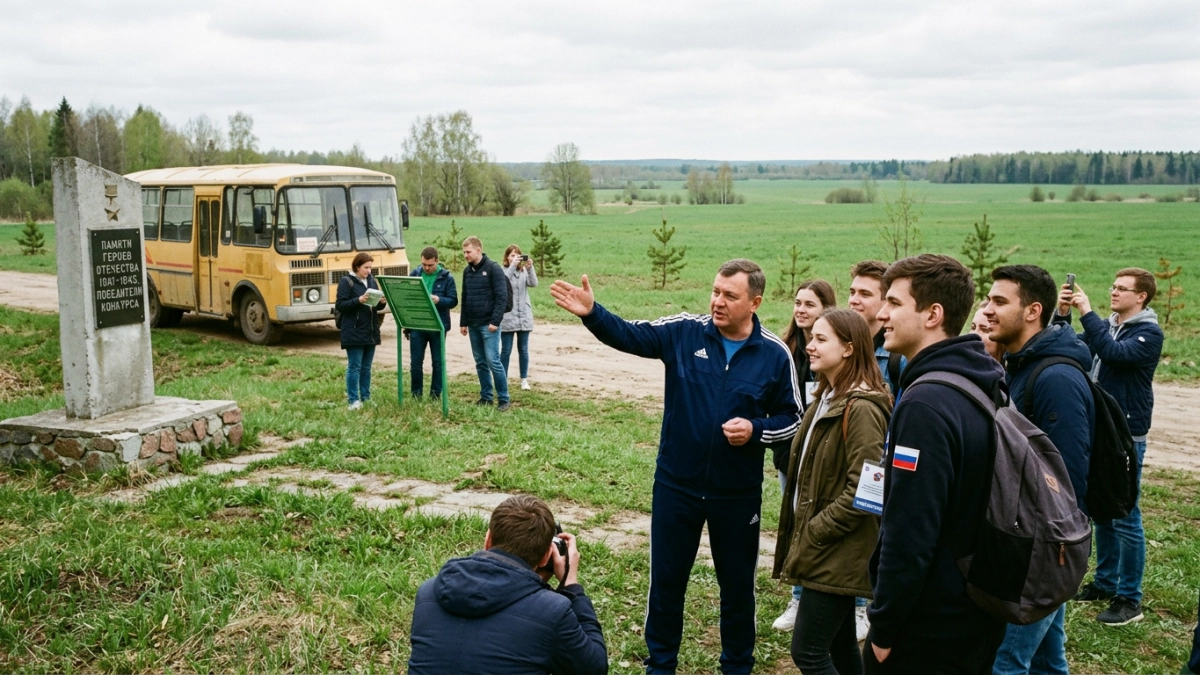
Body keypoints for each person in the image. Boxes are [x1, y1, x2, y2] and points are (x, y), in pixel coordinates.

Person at [551, 259, 800, 675]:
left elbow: (794, 420)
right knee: (667, 582)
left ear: (755, 303)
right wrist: (593, 314)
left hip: (736, 495)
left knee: (737, 587)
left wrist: (756, 429)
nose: (718, 301)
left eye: (730, 296)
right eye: (716, 291)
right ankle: (661, 665)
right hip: (676, 486)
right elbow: (631, 335)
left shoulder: (774, 354)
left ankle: (737, 666)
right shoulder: (685, 332)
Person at [865, 254, 1008, 674]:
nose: (881, 314)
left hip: (930, 624)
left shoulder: (926, 404)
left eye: (894, 303)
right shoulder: (980, 379)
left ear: (933, 315)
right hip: (976, 606)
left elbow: (910, 530)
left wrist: (884, 628)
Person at [983, 265, 1096, 675]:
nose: (988, 309)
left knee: (1005, 662)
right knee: (1048, 660)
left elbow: (1067, 481)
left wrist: (1044, 555)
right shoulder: (1020, 364)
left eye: (999, 301)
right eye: (988, 299)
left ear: (1033, 311)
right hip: (1034, 544)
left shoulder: (1055, 378)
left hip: (1039, 550)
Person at [774, 308, 892, 675]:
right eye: (812, 338)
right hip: (826, 549)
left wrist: (817, 529)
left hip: (837, 552)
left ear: (848, 349)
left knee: (808, 652)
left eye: (821, 339)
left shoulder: (862, 409)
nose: (810, 345)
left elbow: (868, 491)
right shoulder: (828, 397)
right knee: (840, 647)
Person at [1056, 267, 1164, 626]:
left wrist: (1087, 313)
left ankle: (1130, 598)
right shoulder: (1109, 325)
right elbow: (1074, 347)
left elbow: (1113, 353)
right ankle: (1104, 582)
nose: (1114, 292)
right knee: (1103, 507)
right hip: (1100, 429)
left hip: (1127, 435)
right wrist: (1063, 315)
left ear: (1141, 297)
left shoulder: (1148, 333)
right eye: (1113, 286)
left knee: (1126, 514)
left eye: (1122, 288)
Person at [407, 495, 608, 675]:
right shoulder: (553, 612)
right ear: (547, 555)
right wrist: (571, 586)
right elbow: (595, 668)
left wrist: (534, 585)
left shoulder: (428, 593)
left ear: (488, 539)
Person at [773, 279, 836, 633]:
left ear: (827, 309)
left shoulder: (835, 353)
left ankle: (853, 604)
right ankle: (798, 598)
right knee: (797, 525)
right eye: (798, 303)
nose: (800, 310)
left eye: (809, 304)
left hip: (825, 460)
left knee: (825, 528)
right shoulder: (785, 350)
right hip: (790, 457)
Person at [460, 236, 511, 411]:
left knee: (493, 361)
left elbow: (502, 297)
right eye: (464, 252)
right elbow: (465, 297)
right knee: (480, 361)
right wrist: (463, 322)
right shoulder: (467, 272)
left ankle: (503, 398)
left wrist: (495, 321)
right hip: (473, 324)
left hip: (489, 325)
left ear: (478, 250)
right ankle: (486, 396)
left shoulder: (493, 269)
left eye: (468, 252)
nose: (465, 255)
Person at [336, 252, 387, 410]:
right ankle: (353, 400)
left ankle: (366, 397)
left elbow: (376, 306)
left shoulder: (371, 280)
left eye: (371, 267)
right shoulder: (346, 281)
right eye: (366, 267)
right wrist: (358, 300)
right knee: (354, 366)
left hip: (370, 330)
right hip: (353, 330)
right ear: (357, 267)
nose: (369, 271)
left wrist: (381, 302)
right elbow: (340, 305)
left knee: (366, 367)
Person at [407, 246, 457, 399]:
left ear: (437, 261)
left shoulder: (447, 277)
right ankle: (416, 395)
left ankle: (435, 395)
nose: (427, 268)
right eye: (424, 264)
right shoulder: (414, 274)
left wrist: (439, 300)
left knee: (438, 362)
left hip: (438, 325)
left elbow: (453, 301)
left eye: (430, 265)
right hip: (417, 325)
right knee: (415, 363)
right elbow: (407, 298)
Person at [848, 260, 906, 393]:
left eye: (865, 294)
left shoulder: (898, 358)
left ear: (887, 301)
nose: (853, 300)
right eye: (852, 292)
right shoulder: (839, 346)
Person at [500, 244, 539, 391]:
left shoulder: (523, 272)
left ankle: (524, 379)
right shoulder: (502, 271)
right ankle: (503, 378)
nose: (515, 258)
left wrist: (530, 268)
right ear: (507, 257)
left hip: (524, 315)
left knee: (523, 349)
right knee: (506, 350)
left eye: (517, 255)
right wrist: (512, 266)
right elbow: (503, 282)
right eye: (512, 255)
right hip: (508, 316)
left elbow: (533, 283)